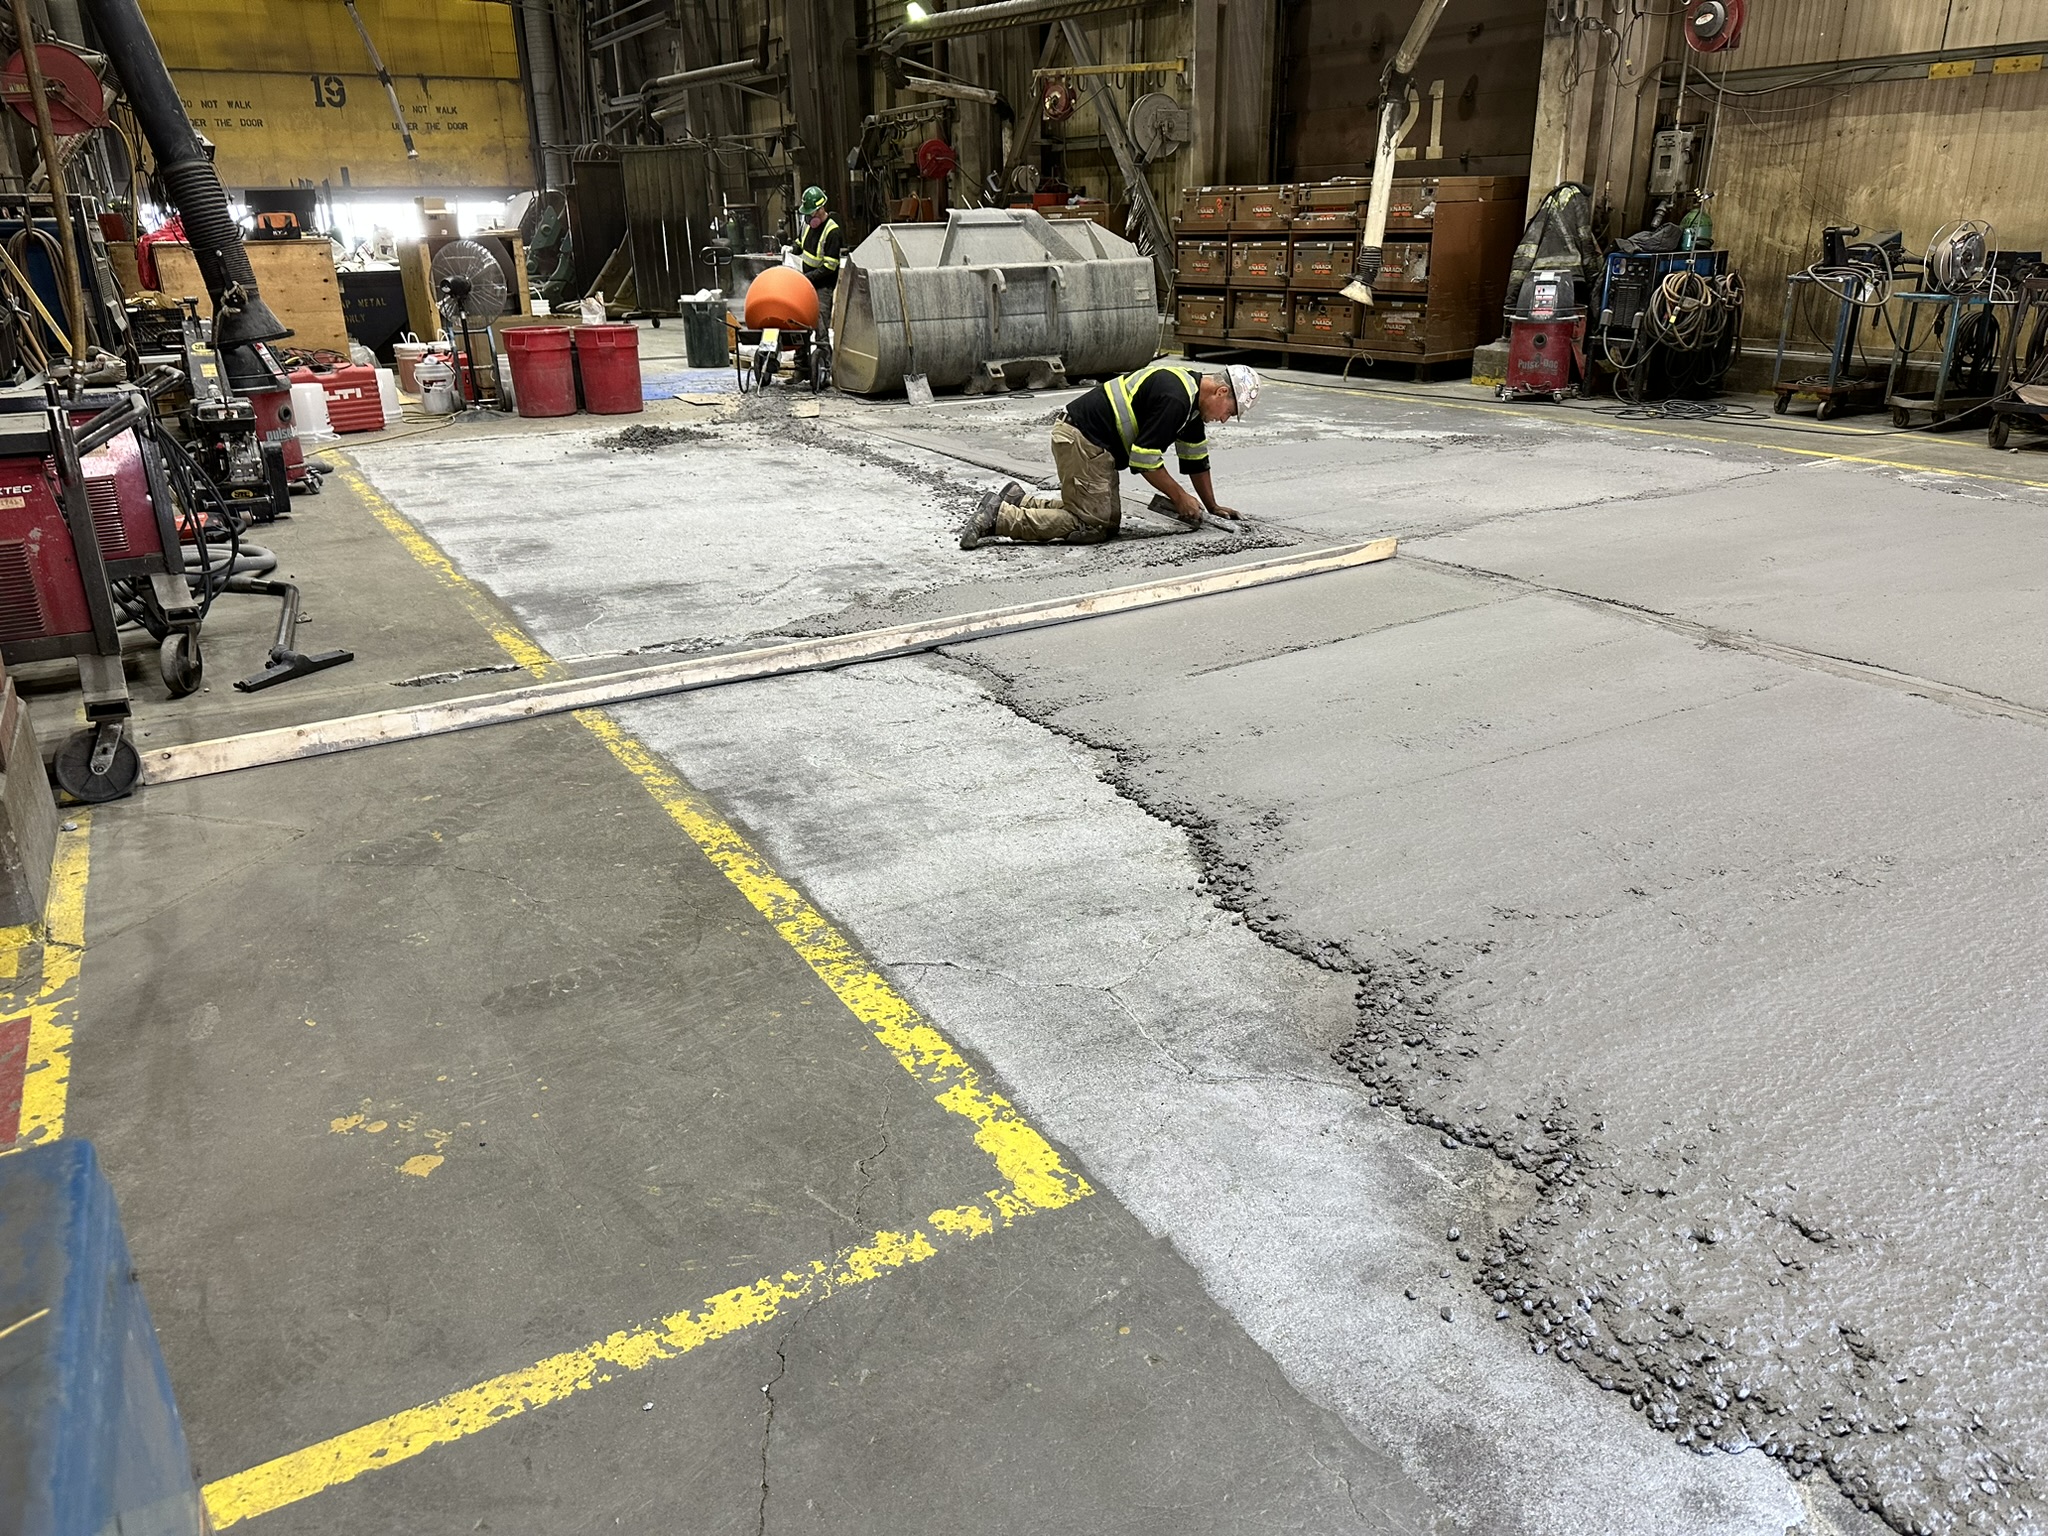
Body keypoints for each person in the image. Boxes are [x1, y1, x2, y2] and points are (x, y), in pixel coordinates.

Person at [959, 362, 1257, 549]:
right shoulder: (1176, 398)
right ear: (1220, 392)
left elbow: (1196, 460)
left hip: (1092, 444)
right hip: (1082, 440)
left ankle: (1019, 499)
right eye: (1230, 412)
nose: (1225, 419)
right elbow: (1144, 460)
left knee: (1106, 518)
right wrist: (1180, 498)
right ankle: (1001, 518)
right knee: (1093, 525)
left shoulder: (1192, 406)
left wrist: (1211, 505)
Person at [796, 186, 842, 299]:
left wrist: (808, 277)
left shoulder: (832, 231)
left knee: (820, 315)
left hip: (823, 287)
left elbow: (829, 267)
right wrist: (790, 249)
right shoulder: (807, 225)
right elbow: (800, 244)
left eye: (811, 213)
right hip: (808, 282)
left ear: (821, 209)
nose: (809, 217)